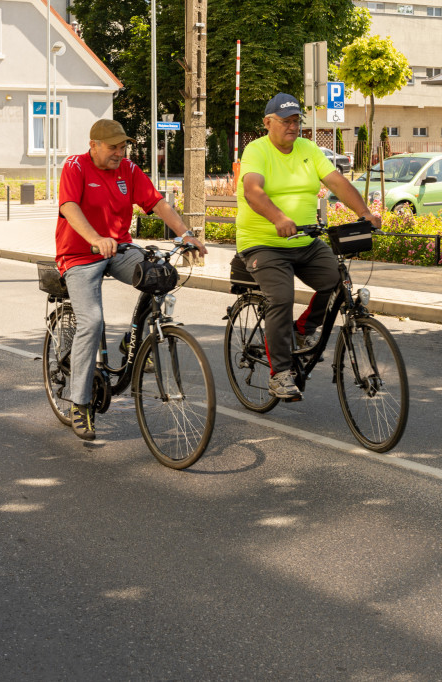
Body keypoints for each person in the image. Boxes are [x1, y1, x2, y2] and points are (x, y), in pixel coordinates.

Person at [56, 118, 207, 441]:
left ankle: (133, 341)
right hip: (80, 255)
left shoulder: (128, 170)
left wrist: (186, 235)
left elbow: (157, 203)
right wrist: (95, 238)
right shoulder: (76, 167)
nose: (119, 153)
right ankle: (79, 403)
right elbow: (69, 207)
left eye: (123, 146)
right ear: (93, 145)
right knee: (92, 321)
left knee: (162, 274)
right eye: (113, 147)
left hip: (118, 249)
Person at [237, 93, 380, 400]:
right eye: (285, 121)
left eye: (295, 121)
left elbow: (337, 182)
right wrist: (277, 217)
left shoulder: (308, 148)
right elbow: (252, 190)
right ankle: (282, 373)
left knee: (337, 281)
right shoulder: (256, 150)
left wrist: (364, 212)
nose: (292, 127)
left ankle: (302, 330)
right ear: (267, 123)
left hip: (305, 240)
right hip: (264, 244)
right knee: (281, 296)